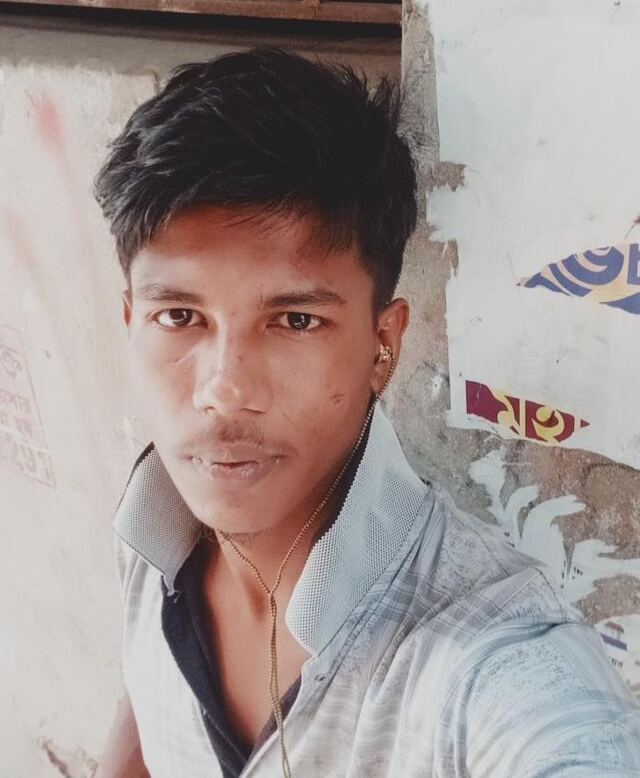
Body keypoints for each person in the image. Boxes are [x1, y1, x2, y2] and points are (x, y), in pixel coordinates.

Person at [94, 48, 640, 778]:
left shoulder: (484, 662)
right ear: (131, 322)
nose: (224, 390)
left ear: (383, 345)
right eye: (180, 316)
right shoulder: (155, 524)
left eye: (295, 321)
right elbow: (151, 688)